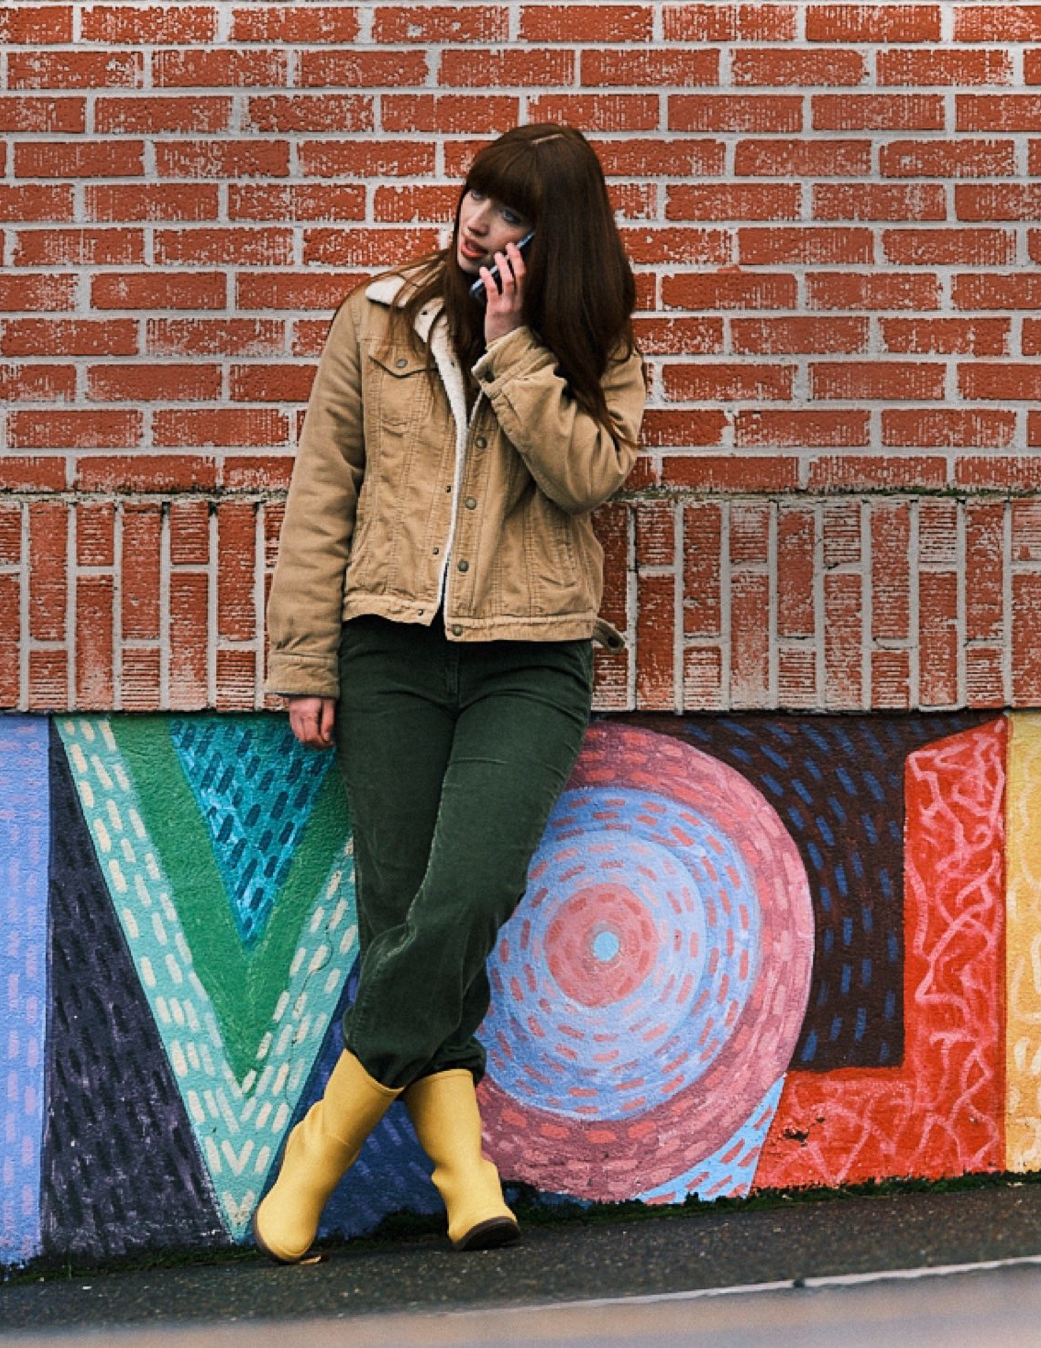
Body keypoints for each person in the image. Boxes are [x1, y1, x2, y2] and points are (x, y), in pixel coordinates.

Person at [255, 124, 644, 1264]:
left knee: (465, 891)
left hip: (530, 654)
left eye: (512, 213)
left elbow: (590, 476)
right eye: (479, 195)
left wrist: (516, 350)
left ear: (551, 237)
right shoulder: (376, 317)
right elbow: (323, 492)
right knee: (399, 913)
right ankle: (466, 1173)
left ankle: (318, 1147)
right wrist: (308, 662)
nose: (480, 220)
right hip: (390, 651)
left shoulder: (593, 340)